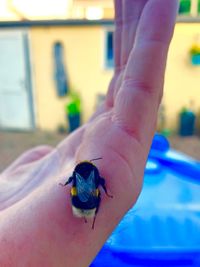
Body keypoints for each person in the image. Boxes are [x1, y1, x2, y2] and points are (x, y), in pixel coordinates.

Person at [0, 1, 178, 266]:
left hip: (81, 204)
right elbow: (94, 183)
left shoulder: (82, 174)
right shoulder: (91, 174)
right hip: (85, 204)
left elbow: (79, 182)